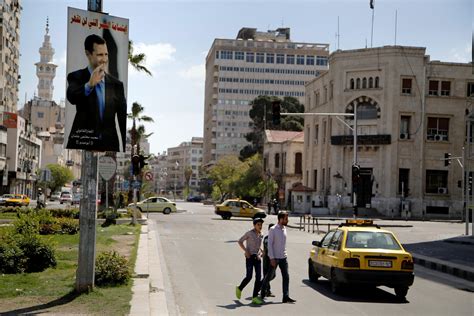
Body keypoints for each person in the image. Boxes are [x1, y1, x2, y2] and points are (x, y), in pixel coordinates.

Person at [66, 34, 127, 152]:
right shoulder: (76, 76)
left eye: (106, 54)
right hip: (82, 143)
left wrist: (123, 149)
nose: (104, 59)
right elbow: (72, 97)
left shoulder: (117, 85)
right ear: (88, 54)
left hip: (109, 147)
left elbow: (122, 120)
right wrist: (89, 85)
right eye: (100, 55)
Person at [260, 211, 296, 303]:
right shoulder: (273, 229)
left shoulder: (284, 229)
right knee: (268, 276)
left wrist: (285, 254)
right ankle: (262, 294)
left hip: (283, 258)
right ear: (280, 219)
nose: (287, 220)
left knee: (286, 277)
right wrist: (271, 258)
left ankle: (286, 296)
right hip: (274, 258)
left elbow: (283, 245)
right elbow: (270, 245)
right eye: (286, 219)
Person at [236, 218, 264, 305]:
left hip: (257, 257)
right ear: (254, 225)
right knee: (249, 276)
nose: (260, 226)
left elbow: (257, 245)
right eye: (258, 224)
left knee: (258, 277)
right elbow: (240, 241)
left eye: (261, 224)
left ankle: (255, 297)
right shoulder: (249, 233)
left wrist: (261, 251)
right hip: (249, 257)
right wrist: (246, 251)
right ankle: (239, 288)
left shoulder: (261, 234)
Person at [262, 223, 276, 297]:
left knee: (272, 275)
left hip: (271, 260)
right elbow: (268, 248)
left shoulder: (274, 238)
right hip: (267, 260)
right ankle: (266, 290)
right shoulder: (267, 238)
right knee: (268, 276)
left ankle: (263, 287)